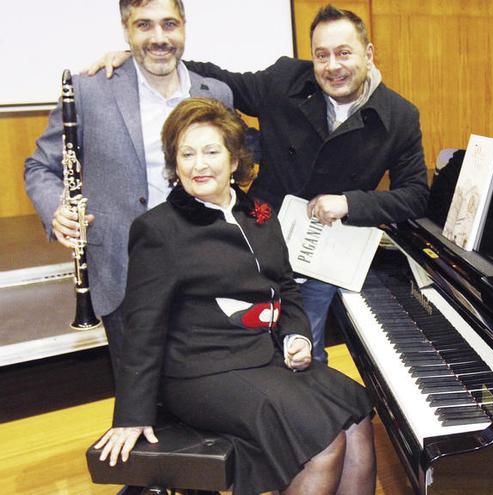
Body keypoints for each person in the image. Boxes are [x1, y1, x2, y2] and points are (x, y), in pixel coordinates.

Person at [89, 4, 430, 363]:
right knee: (246, 347)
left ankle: (310, 410)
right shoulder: (285, 80)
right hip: (260, 242)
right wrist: (141, 58)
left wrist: (350, 203)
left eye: (344, 53)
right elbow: (219, 80)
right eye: (321, 55)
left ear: (368, 53)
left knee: (304, 350)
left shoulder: (400, 116)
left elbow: (415, 195)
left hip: (325, 254)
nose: (332, 66)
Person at [94, 97, 376, 495]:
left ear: (233, 158)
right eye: (186, 154)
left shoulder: (258, 213)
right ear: (175, 164)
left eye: (211, 151)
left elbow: (286, 289)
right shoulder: (158, 229)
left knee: (357, 414)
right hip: (200, 371)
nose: (199, 164)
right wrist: (131, 415)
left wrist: (296, 336)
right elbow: (142, 328)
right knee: (322, 443)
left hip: (263, 357)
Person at [24, 0, 234, 379]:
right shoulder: (88, 89)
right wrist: (58, 210)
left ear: (184, 26)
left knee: (209, 384)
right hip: (123, 268)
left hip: (204, 265)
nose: (159, 37)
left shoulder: (216, 93)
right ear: (126, 30)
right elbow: (40, 165)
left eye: (169, 24)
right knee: (139, 394)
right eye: (144, 26)